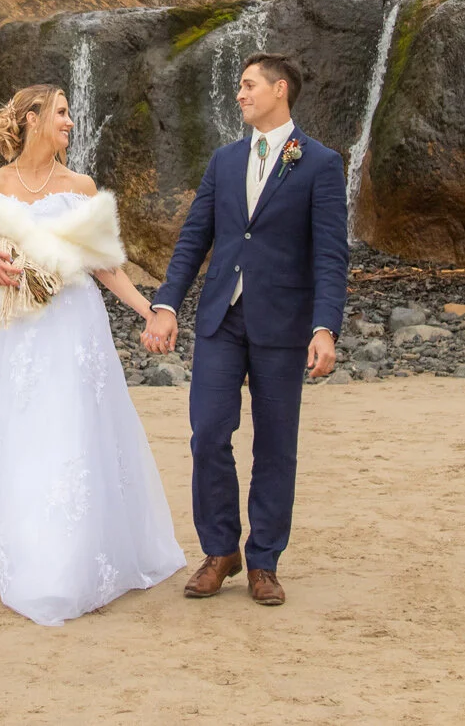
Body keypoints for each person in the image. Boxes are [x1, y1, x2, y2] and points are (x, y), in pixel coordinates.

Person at [0, 84, 185, 625]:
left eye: (70, 113)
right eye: (62, 113)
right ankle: (13, 546)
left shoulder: (81, 185)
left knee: (69, 429)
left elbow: (105, 265)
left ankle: (66, 558)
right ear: (31, 119)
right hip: (11, 326)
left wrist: (150, 310)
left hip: (73, 324)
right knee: (14, 430)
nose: (70, 122)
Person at [143, 52, 348, 607]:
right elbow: (194, 238)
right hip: (220, 318)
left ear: (280, 90)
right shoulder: (225, 161)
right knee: (208, 433)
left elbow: (331, 255)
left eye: (248, 84)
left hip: (284, 324)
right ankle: (219, 551)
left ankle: (264, 561)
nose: (240, 93)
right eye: (238, 86)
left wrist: (325, 326)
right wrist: (166, 304)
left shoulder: (321, 164)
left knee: (276, 446)